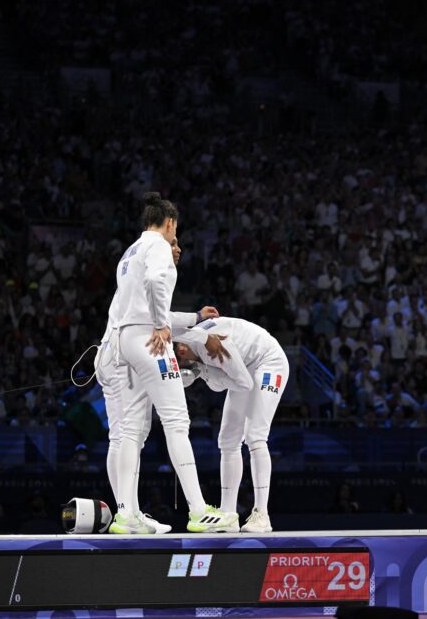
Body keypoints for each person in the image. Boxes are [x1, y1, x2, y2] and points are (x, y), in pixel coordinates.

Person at [102, 192, 236, 534]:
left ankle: (126, 513)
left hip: (122, 343)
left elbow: (137, 304)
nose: (175, 244)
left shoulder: (130, 252)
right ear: (170, 222)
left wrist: (190, 317)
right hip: (148, 340)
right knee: (177, 421)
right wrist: (163, 324)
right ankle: (197, 510)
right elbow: (156, 283)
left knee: (128, 431)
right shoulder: (159, 245)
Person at [174, 314, 290, 533]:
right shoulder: (189, 339)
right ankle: (228, 515)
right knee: (227, 440)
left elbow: (243, 383)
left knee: (255, 436)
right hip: (244, 366)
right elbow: (168, 327)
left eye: (180, 365)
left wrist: (202, 373)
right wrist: (200, 372)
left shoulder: (214, 347)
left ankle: (261, 514)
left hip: (269, 363)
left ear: (181, 351)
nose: (182, 367)